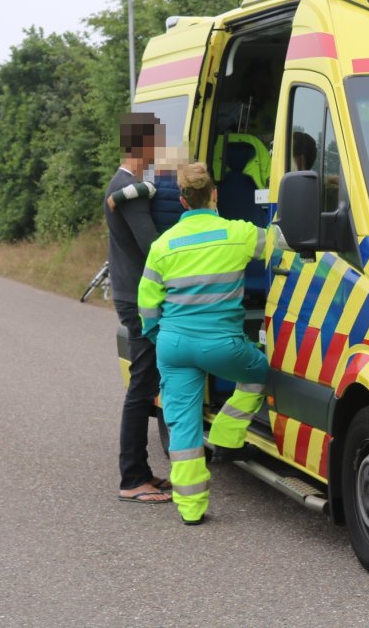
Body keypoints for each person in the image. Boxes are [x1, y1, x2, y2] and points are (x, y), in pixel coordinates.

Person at [137, 162, 269, 525]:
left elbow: (147, 304)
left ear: (182, 200)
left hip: (174, 345)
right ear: (214, 194)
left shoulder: (163, 246)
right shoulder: (237, 233)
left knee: (182, 424)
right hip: (222, 345)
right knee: (258, 371)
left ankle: (191, 508)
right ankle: (227, 432)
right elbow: (281, 243)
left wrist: (158, 335)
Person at [107, 113, 172, 504]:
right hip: (138, 299)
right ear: (143, 145)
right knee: (141, 387)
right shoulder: (126, 188)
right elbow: (154, 249)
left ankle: (142, 472)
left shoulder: (126, 187)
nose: (159, 151)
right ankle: (132, 478)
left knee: (144, 384)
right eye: (157, 143)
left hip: (131, 294)